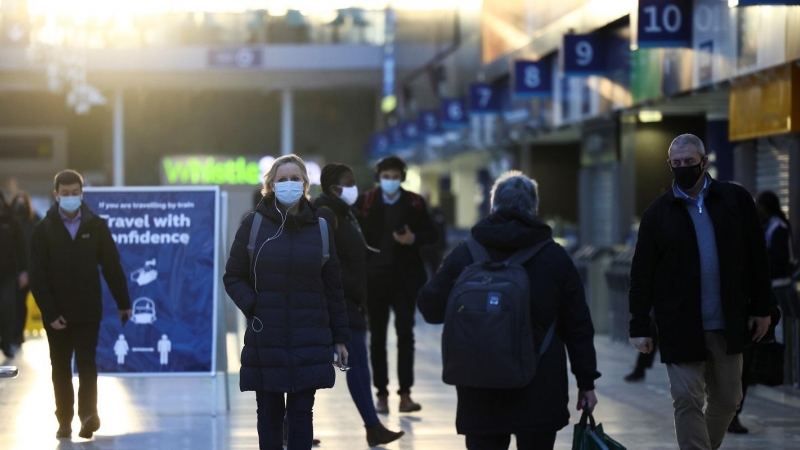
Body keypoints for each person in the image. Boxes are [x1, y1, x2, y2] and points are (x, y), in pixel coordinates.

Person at [417, 171, 600, 450]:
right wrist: (586, 381)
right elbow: (578, 324)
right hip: (540, 389)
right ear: (535, 210)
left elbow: (430, 308)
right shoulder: (554, 256)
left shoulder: (465, 253)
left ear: (492, 208)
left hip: (480, 389)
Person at [628, 134, 772, 450]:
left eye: (689, 163)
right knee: (686, 399)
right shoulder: (658, 213)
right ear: (669, 164)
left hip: (728, 322)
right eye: (675, 163)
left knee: (729, 400)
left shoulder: (735, 201)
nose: (682, 168)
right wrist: (639, 325)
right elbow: (641, 274)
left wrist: (763, 308)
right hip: (679, 324)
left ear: (704, 162)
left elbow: (757, 257)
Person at [224, 154, 350, 450]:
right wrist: (254, 305)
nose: (289, 184)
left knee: (301, 415)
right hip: (266, 335)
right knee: (268, 415)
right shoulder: (253, 225)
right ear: (270, 186)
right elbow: (233, 276)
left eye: (295, 179)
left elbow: (333, 288)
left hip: (309, 336)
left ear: (306, 185)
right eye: (282, 179)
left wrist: (341, 338)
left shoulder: (320, 228)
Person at [28, 170, 133, 440]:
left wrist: (124, 302)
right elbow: (37, 276)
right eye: (66, 193)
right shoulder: (43, 230)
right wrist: (50, 313)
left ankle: (88, 415)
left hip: (88, 310)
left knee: (87, 364)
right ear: (56, 195)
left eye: (75, 192)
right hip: (57, 314)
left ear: (82, 193)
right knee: (60, 367)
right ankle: (64, 420)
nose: (71, 197)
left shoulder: (95, 226)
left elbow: (111, 266)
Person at [314, 163, 405, 446]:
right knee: (352, 365)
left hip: (353, 301)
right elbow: (320, 257)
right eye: (348, 182)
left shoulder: (346, 214)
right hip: (338, 303)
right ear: (333, 188)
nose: (355, 188)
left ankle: (372, 426)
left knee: (355, 365)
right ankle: (372, 426)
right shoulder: (327, 214)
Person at [355, 155, 438, 414]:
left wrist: (413, 238)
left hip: (405, 281)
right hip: (375, 280)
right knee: (377, 337)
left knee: (406, 334)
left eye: (394, 176)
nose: (390, 181)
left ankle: (405, 394)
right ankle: (381, 393)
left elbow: (433, 234)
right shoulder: (366, 202)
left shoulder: (414, 202)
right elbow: (356, 238)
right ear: (379, 177)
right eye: (385, 176)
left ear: (401, 176)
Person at [727, 190, 800, 434]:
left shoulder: (774, 228)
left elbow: (773, 265)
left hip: (764, 299)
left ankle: (733, 413)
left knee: (745, 363)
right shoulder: (748, 229)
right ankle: (730, 412)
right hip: (742, 305)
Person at [10, 191, 40, 349]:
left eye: (22, 203)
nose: (19, 207)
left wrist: (26, 271)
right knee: (9, 304)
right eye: (17, 203)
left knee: (20, 303)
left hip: (27, 271)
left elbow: (33, 249)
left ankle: (17, 335)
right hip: (8, 271)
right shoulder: (7, 222)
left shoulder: (34, 222)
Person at [0, 189, 27, 359]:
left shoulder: (12, 222)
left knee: (8, 309)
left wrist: (24, 271)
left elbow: (21, 248)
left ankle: (6, 343)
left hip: (8, 275)